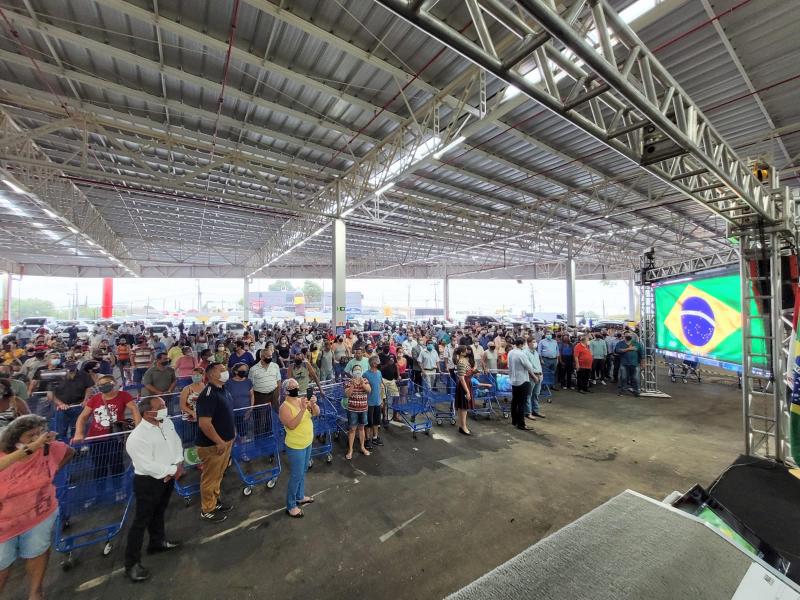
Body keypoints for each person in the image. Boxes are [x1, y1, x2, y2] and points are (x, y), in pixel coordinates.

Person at [0, 416, 74, 600]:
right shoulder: (4, 456)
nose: (37, 438)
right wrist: (31, 447)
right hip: (4, 523)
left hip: (39, 515)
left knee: (37, 552)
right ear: (15, 438)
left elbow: (69, 451)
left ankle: (35, 592)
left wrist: (52, 470)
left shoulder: (49, 449)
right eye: (30, 435)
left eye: (40, 433)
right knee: (2, 564)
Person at [123, 396, 183, 582]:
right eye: (161, 406)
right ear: (148, 413)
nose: (166, 408)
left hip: (168, 477)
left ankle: (157, 542)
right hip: (148, 482)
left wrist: (178, 463)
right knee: (141, 521)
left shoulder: (167, 423)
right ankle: (132, 564)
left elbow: (176, 442)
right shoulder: (137, 437)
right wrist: (172, 470)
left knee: (159, 511)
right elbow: (146, 464)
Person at [195, 362, 235, 523]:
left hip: (225, 441)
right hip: (213, 445)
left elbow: (226, 414)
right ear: (211, 374)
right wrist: (219, 441)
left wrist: (232, 433)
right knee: (210, 478)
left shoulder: (223, 390)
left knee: (218, 475)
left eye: (226, 369)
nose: (226, 372)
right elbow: (204, 423)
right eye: (222, 370)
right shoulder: (208, 395)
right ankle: (207, 509)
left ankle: (215, 501)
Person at [278, 379, 318, 518]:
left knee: (303, 470)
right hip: (296, 446)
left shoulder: (302, 400)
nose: (296, 388)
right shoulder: (284, 407)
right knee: (296, 475)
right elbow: (291, 425)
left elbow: (316, 413)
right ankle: (291, 505)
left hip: (307, 442)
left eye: (296, 385)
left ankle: (300, 496)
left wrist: (313, 404)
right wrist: (302, 409)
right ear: (285, 391)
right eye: (292, 387)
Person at [507, 338, 537, 430]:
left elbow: (508, 365)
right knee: (522, 404)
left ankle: (514, 421)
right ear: (521, 344)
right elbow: (529, 366)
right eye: (524, 344)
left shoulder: (510, 352)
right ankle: (521, 424)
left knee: (515, 401)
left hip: (514, 380)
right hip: (523, 381)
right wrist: (534, 376)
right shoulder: (521, 354)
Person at [344, 365, 370, 460]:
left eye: (359, 370)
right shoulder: (348, 381)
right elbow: (347, 394)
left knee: (361, 428)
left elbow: (369, 390)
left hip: (363, 409)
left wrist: (363, 384)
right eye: (355, 370)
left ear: (361, 371)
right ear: (352, 372)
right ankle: (350, 450)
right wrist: (352, 385)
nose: (357, 371)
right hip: (352, 410)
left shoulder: (365, 380)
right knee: (352, 429)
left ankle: (362, 447)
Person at [249, 345, 281, 411]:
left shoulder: (275, 366)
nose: (271, 357)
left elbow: (278, 381)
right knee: (261, 417)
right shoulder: (253, 369)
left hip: (274, 394)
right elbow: (250, 386)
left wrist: (278, 394)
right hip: (260, 397)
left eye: (271, 356)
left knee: (275, 415)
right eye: (268, 356)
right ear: (262, 357)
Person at [363, 356, 385, 450]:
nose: (379, 363)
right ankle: (367, 439)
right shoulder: (365, 374)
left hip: (377, 401)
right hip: (369, 403)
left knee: (376, 421)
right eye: (378, 362)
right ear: (374, 364)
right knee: (368, 422)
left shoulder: (379, 373)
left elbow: (380, 386)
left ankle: (375, 437)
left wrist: (381, 400)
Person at [453, 345, 474, 435]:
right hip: (464, 386)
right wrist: (467, 391)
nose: (467, 351)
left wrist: (474, 372)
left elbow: (466, 372)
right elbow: (461, 378)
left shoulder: (465, 360)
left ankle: (462, 426)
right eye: (466, 350)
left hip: (466, 384)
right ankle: (463, 426)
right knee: (463, 408)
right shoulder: (461, 362)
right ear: (461, 353)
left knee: (464, 408)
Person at [523, 338, 545, 420]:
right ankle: (528, 412)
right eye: (533, 342)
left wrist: (541, 374)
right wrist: (533, 376)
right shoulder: (525, 353)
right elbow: (527, 367)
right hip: (531, 376)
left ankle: (535, 410)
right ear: (528, 343)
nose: (535, 343)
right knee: (529, 394)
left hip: (539, 375)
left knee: (536, 394)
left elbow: (538, 364)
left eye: (535, 342)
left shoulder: (536, 352)